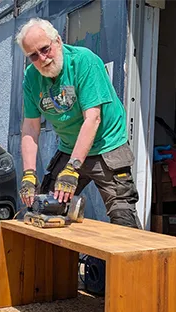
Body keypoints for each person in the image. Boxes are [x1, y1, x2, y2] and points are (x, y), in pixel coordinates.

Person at [15, 18, 141, 229]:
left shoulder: (84, 61)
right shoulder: (31, 78)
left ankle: (137, 260)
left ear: (58, 41)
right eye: (34, 56)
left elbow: (92, 118)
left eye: (45, 49)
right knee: (45, 208)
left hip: (106, 145)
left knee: (122, 218)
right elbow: (30, 127)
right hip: (70, 146)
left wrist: (72, 168)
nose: (43, 59)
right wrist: (28, 174)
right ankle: (59, 263)